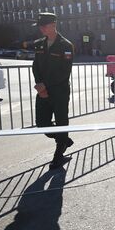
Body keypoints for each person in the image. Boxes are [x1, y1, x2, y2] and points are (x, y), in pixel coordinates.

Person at [31, 12, 75, 170]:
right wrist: (39, 83)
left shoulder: (66, 45)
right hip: (42, 90)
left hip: (59, 91)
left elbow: (65, 71)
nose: (41, 29)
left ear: (53, 25)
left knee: (61, 122)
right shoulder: (39, 44)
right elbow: (36, 65)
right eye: (40, 26)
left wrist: (45, 87)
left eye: (44, 25)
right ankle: (64, 139)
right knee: (42, 124)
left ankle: (59, 155)